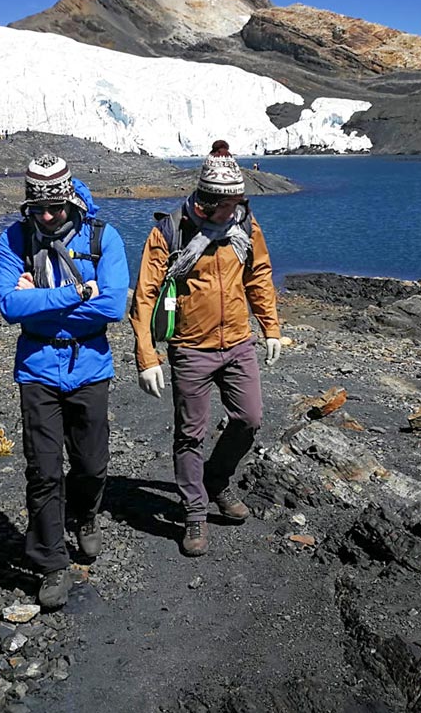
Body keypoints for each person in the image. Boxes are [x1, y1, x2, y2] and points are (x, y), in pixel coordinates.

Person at [129, 141, 281, 557]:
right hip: (190, 348)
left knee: (249, 418)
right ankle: (194, 510)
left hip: (237, 342)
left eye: (239, 202)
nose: (236, 209)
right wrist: (148, 355)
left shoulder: (244, 225)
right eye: (229, 203)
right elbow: (144, 296)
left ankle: (216, 479)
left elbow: (259, 275)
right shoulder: (169, 232)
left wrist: (270, 327)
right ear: (207, 202)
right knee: (191, 433)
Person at [0, 154, 129, 608]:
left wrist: (40, 300)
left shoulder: (102, 237)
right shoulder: (14, 239)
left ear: (71, 200)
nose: (47, 216)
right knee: (43, 469)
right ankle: (51, 563)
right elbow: (9, 306)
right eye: (38, 208)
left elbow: (112, 308)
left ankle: (85, 514)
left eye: (54, 207)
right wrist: (74, 293)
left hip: (90, 364)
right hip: (37, 369)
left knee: (91, 462)